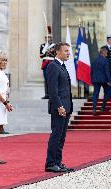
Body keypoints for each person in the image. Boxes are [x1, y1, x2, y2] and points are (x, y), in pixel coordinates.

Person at [45, 42, 74, 173]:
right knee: (56, 136)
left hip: (66, 107)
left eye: (69, 50)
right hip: (59, 108)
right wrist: (59, 106)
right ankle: (50, 163)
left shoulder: (62, 66)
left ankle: (57, 162)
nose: (69, 53)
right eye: (66, 51)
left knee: (62, 137)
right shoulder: (52, 66)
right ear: (58, 52)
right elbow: (52, 90)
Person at [91, 47, 111, 116]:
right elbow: (107, 71)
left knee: (95, 94)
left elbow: (92, 71)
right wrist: (109, 81)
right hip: (104, 80)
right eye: (106, 53)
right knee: (107, 93)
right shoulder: (106, 60)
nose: (107, 54)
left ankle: (94, 108)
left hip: (95, 79)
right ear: (104, 53)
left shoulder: (95, 60)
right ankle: (103, 107)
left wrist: (92, 79)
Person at [40, 30, 55, 99]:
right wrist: (46, 51)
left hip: (51, 63)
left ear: (51, 38)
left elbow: (55, 55)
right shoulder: (42, 46)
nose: (47, 39)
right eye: (46, 37)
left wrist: (50, 52)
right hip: (45, 63)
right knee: (46, 79)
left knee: (52, 79)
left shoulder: (54, 46)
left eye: (49, 37)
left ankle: (52, 94)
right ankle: (47, 94)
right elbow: (41, 55)